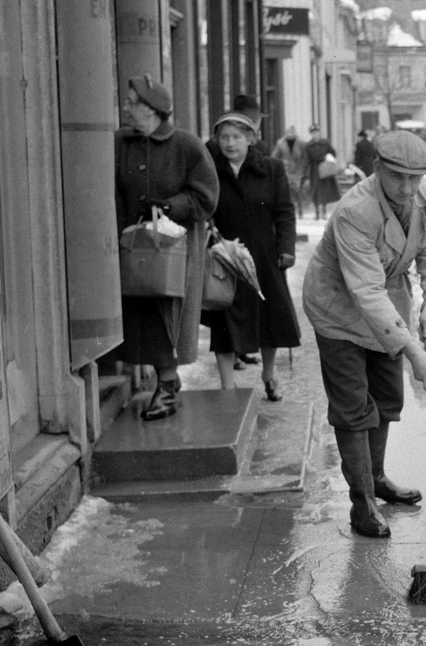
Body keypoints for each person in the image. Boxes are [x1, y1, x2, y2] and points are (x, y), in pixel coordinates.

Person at [301, 130, 426, 539]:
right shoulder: (355, 211)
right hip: (338, 307)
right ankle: (362, 503)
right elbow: (364, 291)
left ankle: (378, 477)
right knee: (353, 406)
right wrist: (412, 352)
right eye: (397, 177)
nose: (407, 188)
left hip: (387, 301)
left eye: (415, 178)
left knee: (386, 398)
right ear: (378, 169)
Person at [112, 74, 219, 421]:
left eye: (132, 102)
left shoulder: (187, 146)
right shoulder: (118, 143)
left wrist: (172, 206)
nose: (126, 107)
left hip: (173, 251)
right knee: (137, 315)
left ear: (153, 110)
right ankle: (160, 383)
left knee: (166, 314)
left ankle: (168, 386)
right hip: (131, 249)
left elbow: (206, 197)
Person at [203, 113, 301, 399]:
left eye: (237, 137)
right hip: (225, 257)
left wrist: (286, 249)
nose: (230, 143)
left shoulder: (271, 168)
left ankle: (269, 374)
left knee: (268, 319)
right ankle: (227, 385)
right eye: (224, 137)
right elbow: (205, 208)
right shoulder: (211, 172)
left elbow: (284, 212)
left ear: (250, 138)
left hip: (264, 257)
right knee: (223, 321)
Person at [304, 124, 341, 220]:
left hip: (324, 168)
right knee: (315, 190)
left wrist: (328, 158)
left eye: (317, 133)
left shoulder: (325, 143)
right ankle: (317, 212)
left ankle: (324, 211)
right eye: (313, 133)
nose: (315, 135)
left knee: (325, 190)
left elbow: (333, 153)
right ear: (311, 134)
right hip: (314, 169)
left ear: (319, 133)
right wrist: (306, 173)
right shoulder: (308, 145)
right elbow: (306, 159)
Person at [272, 124, 309, 216]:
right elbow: (275, 156)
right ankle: (289, 210)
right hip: (286, 170)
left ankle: (300, 210)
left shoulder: (301, 143)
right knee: (286, 191)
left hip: (298, 170)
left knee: (298, 191)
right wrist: (281, 165)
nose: (290, 134)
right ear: (285, 133)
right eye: (288, 132)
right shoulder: (280, 143)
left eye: (292, 132)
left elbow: (305, 158)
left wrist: (303, 170)